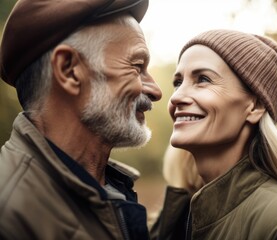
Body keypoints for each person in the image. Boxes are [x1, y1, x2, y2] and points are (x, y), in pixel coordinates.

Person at [0, 0, 162, 239]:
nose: (156, 91)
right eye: (137, 66)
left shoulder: (112, 187)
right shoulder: (9, 214)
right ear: (69, 69)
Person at [152, 29, 277, 240]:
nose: (177, 97)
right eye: (177, 82)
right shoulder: (178, 216)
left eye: (203, 79)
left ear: (255, 105)